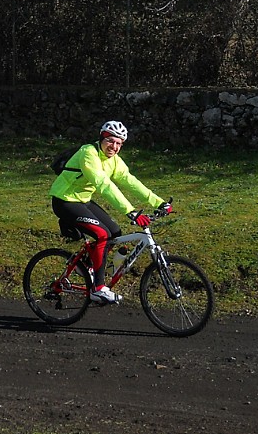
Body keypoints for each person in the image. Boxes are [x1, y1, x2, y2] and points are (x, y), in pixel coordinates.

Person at [49, 120, 172, 305]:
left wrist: (159, 202)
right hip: (64, 200)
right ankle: (97, 289)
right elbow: (103, 184)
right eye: (110, 141)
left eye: (119, 143)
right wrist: (130, 211)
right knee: (102, 234)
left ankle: (89, 267)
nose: (113, 147)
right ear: (101, 138)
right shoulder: (88, 153)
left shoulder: (114, 161)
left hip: (82, 200)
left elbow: (131, 181)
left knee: (114, 232)